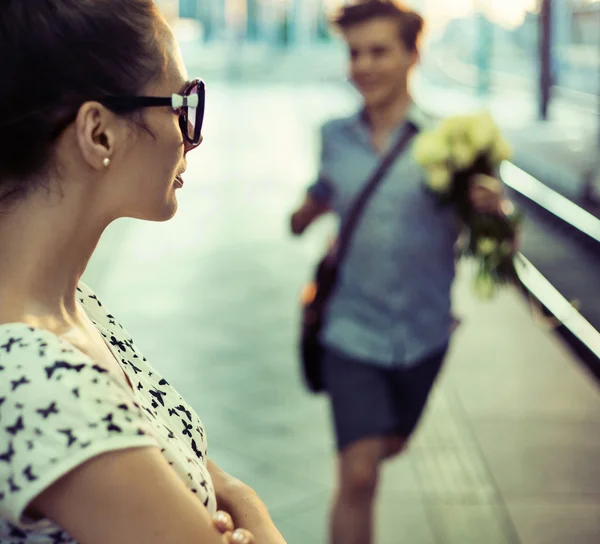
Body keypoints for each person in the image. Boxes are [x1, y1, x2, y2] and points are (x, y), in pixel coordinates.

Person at [0, 1, 287, 543]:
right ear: (99, 134)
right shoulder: (35, 381)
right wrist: (261, 529)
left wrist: (239, 499)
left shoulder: (74, 303)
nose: (189, 136)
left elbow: (198, 473)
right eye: (181, 105)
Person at [290, 2, 504, 543]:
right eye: (355, 52)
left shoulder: (451, 145)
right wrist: (307, 210)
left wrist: (490, 212)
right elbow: (324, 190)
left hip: (423, 334)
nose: (364, 65)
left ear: (413, 54)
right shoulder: (334, 135)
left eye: (379, 51)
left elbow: (493, 240)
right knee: (358, 474)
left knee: (392, 444)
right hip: (350, 330)